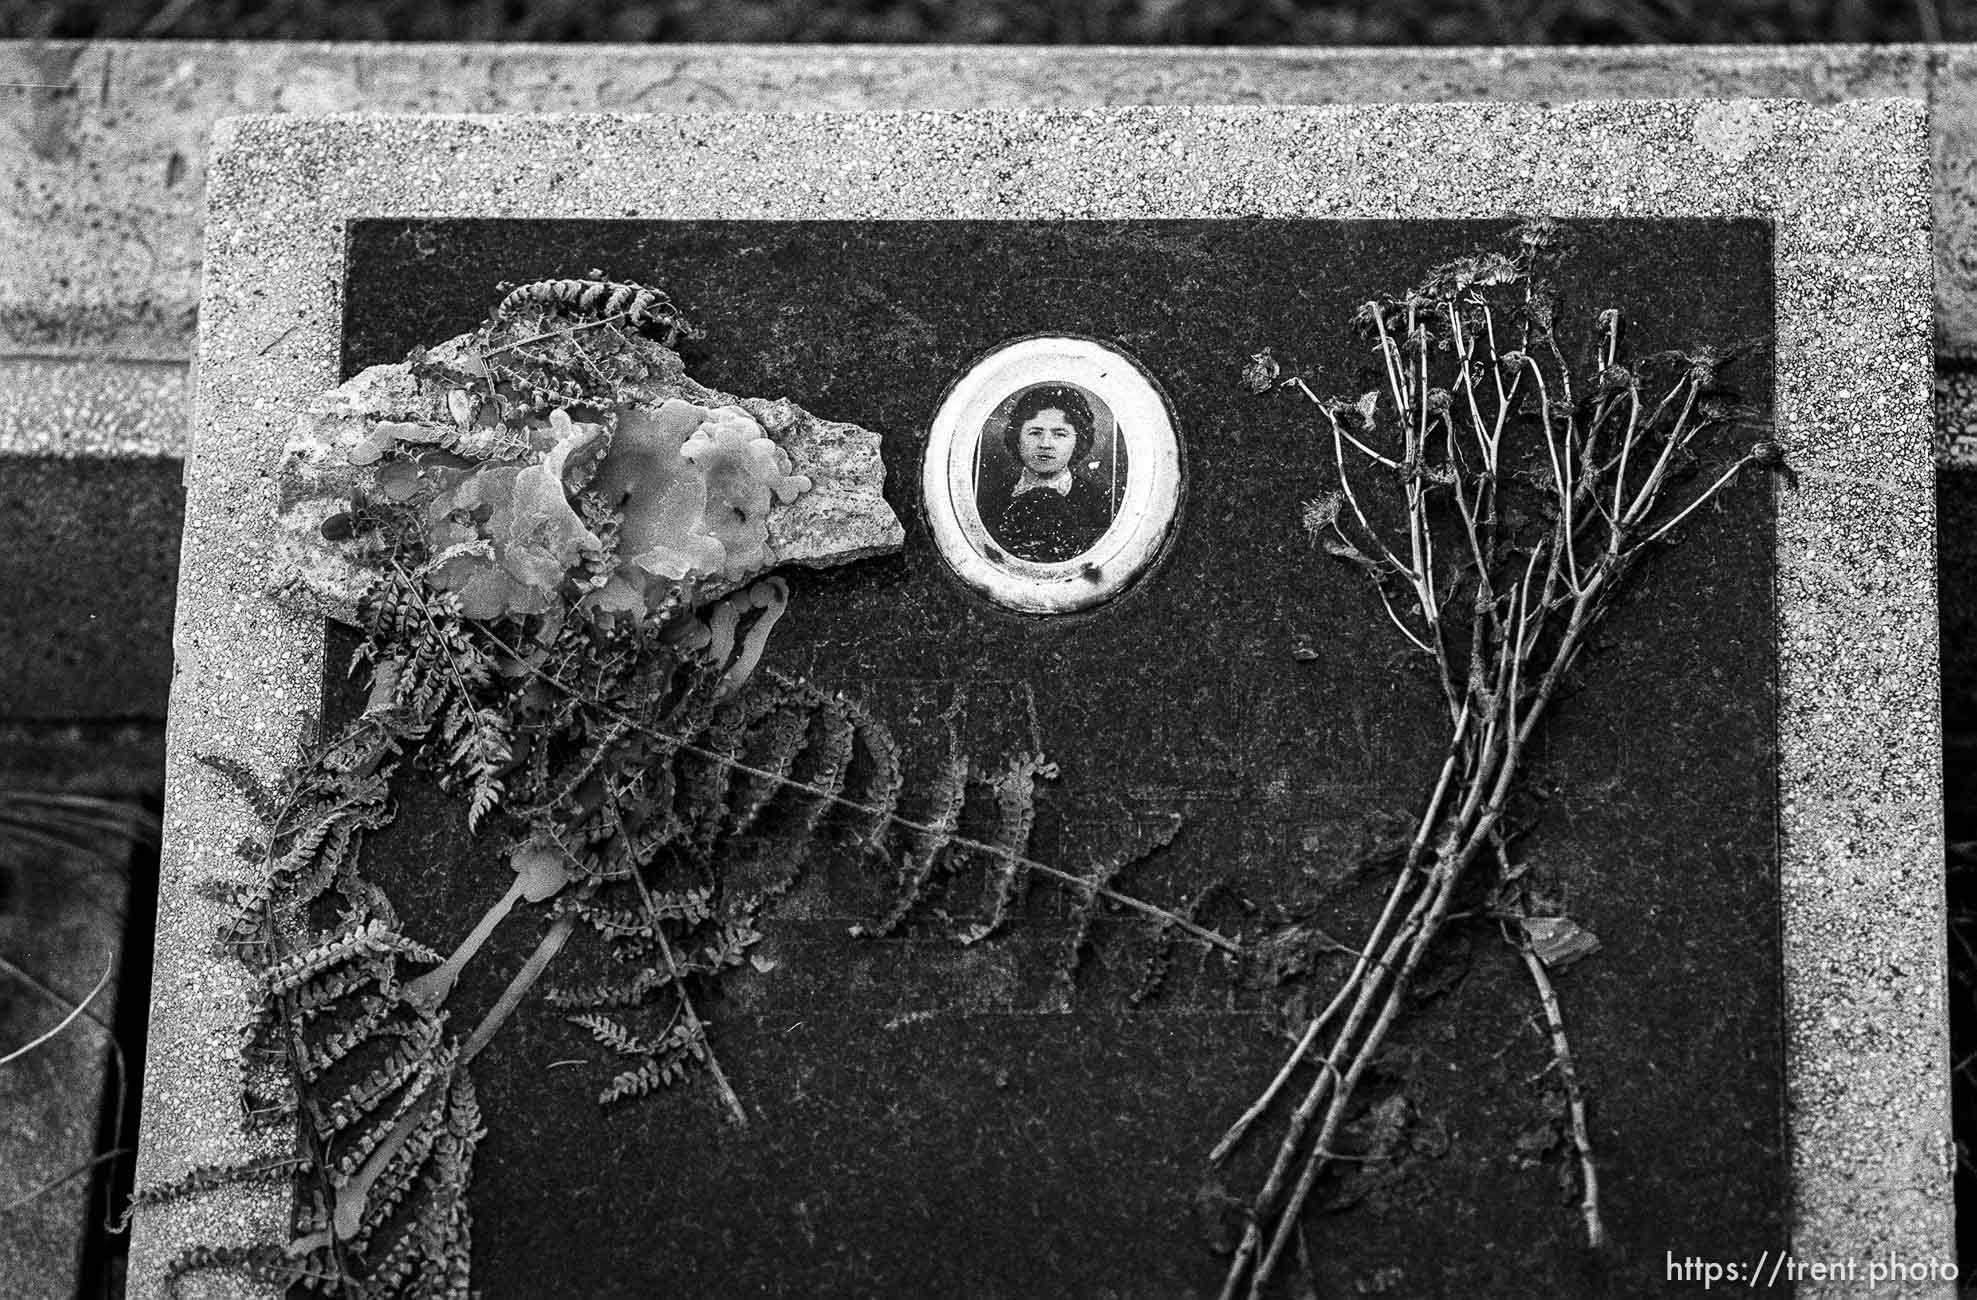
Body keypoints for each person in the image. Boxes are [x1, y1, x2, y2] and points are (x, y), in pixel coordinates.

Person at [982, 384, 1113, 563]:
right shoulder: (989, 501)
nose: (1045, 444)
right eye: (1035, 432)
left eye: (1059, 434)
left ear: (1078, 441)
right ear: (1017, 439)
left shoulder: (1101, 502)